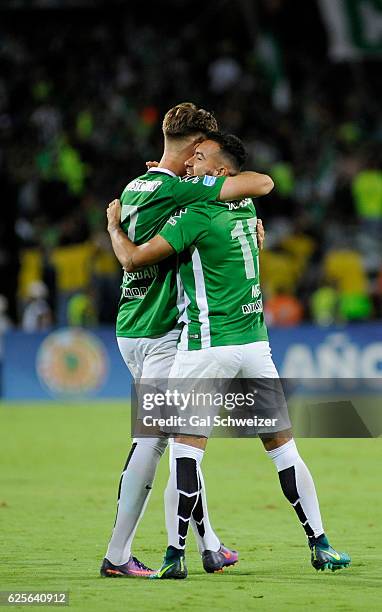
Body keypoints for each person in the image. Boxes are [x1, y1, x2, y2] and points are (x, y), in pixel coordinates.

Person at [106, 131, 351, 579]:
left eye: (198, 160)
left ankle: (174, 555)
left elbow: (135, 260)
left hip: (206, 348)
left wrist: (114, 229)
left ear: (219, 172)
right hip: (256, 347)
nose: (190, 167)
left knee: (184, 451)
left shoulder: (193, 215)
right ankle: (320, 543)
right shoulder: (248, 209)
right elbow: (254, 211)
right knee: (284, 449)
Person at [101, 103, 273, 578]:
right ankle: (117, 555)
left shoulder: (139, 185)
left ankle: (209, 545)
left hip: (133, 323)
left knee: (184, 439)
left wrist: (115, 227)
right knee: (156, 441)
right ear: (198, 147)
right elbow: (258, 183)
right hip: (162, 330)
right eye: (205, 152)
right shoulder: (182, 186)